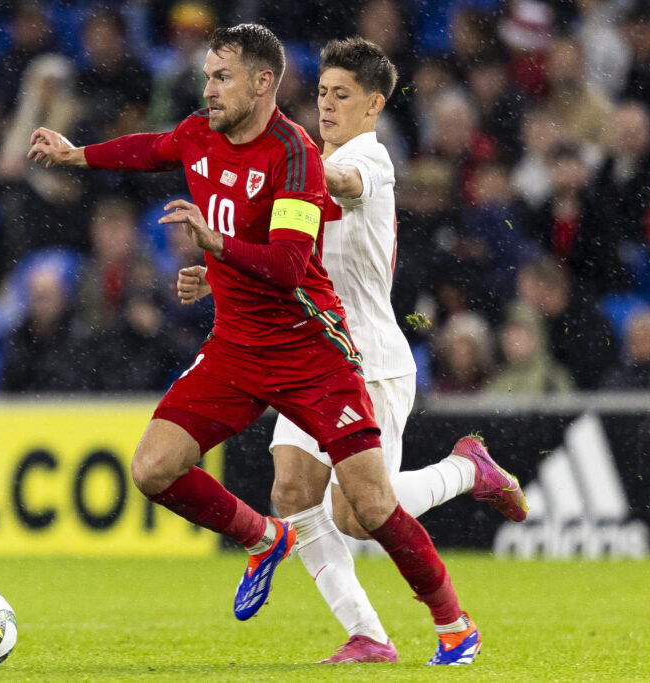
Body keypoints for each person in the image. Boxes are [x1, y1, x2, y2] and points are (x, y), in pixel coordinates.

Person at [30, 23, 479, 665]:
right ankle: (277, 552)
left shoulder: (309, 159)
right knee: (167, 471)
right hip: (237, 351)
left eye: (222, 78)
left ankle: (454, 622)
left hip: (319, 354)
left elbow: (292, 263)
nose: (207, 90)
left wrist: (215, 245)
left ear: (264, 83)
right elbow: (155, 148)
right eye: (207, 77)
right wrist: (78, 155)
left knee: (369, 509)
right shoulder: (206, 134)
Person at [179, 38, 527, 663]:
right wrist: (217, 271)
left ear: (373, 105)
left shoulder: (369, 160)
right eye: (320, 94)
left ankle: (466, 470)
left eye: (342, 95)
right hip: (309, 358)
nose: (328, 105)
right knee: (290, 491)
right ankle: (367, 634)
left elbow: (336, 180)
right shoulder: (303, 167)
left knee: (358, 514)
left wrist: (287, 158)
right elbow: (288, 259)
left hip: (371, 360)